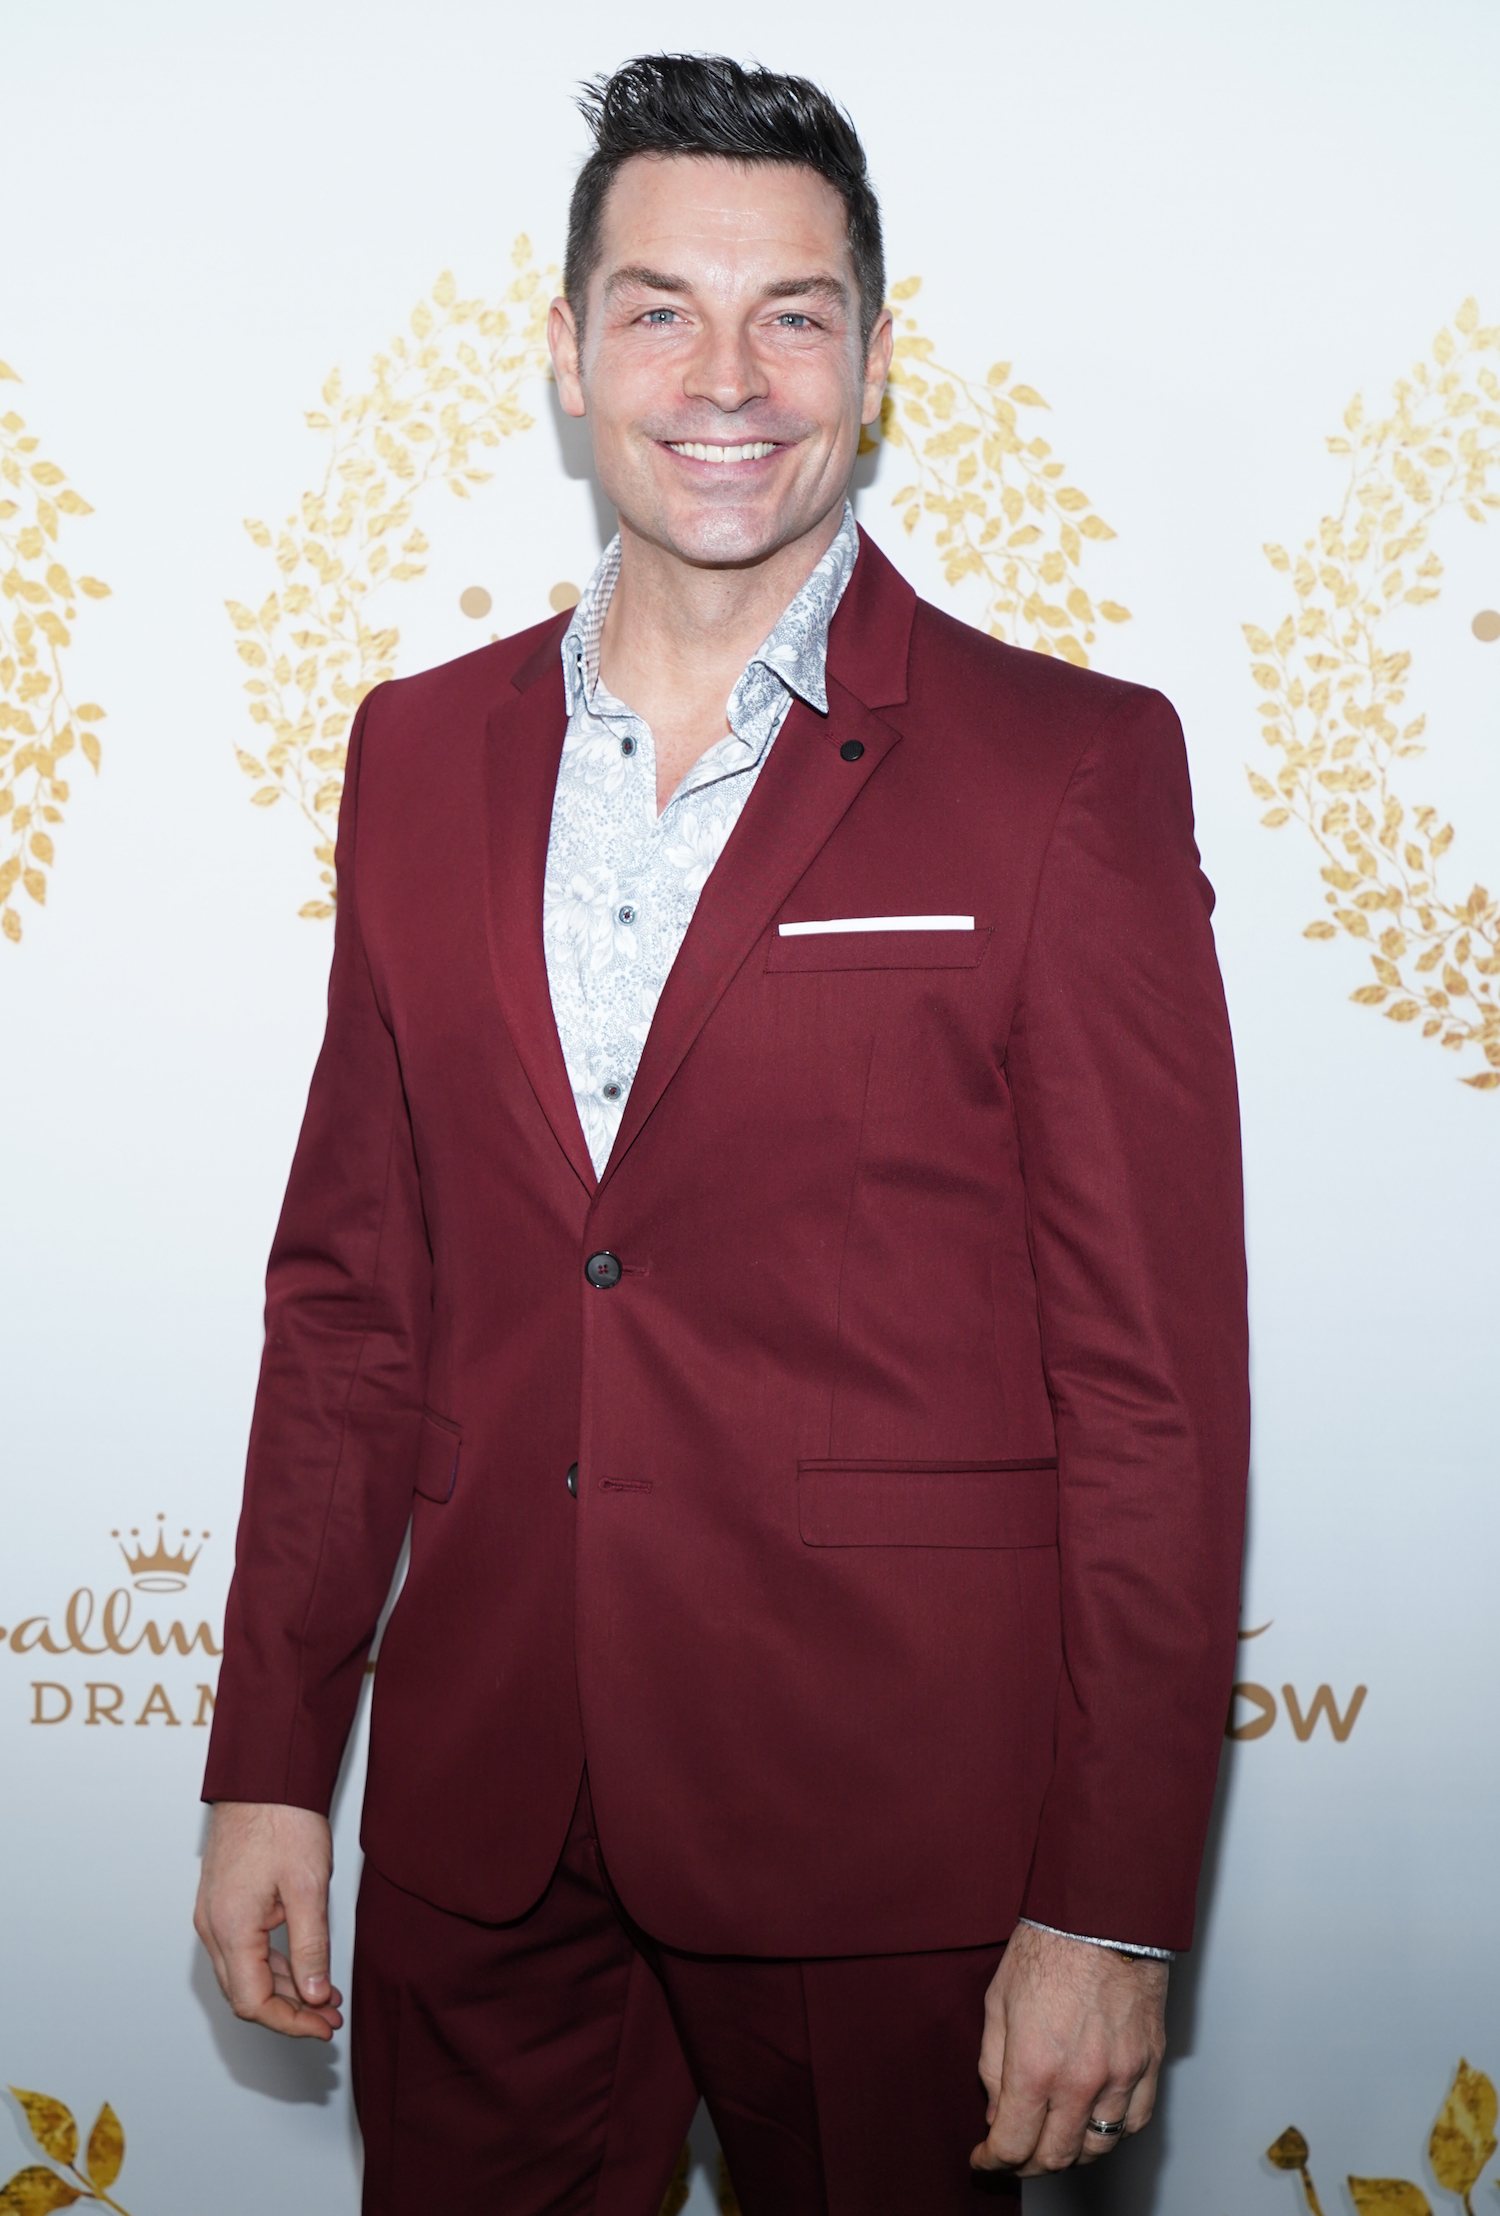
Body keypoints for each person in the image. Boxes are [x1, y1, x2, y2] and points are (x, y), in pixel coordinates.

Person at [194, 52, 1248, 2216]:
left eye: (794, 315)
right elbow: (352, 1307)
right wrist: (271, 1756)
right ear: (567, 348)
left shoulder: (1067, 770)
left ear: (877, 353)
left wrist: (1114, 1902)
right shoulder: (414, 753)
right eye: (661, 309)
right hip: (490, 1821)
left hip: (892, 1830)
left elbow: (1152, 1386)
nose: (728, 379)